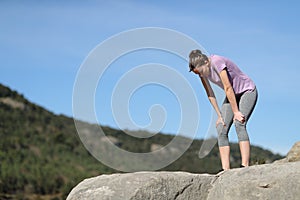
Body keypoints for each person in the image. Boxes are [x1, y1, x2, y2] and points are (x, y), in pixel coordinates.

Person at [188, 49, 258, 171]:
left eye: (200, 72)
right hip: (232, 95)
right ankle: (226, 170)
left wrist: (236, 112)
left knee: (239, 123)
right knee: (221, 127)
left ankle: (245, 166)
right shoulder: (201, 73)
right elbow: (210, 93)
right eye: (197, 74)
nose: (200, 75)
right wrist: (219, 115)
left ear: (205, 62)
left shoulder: (217, 62)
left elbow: (228, 87)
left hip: (247, 91)